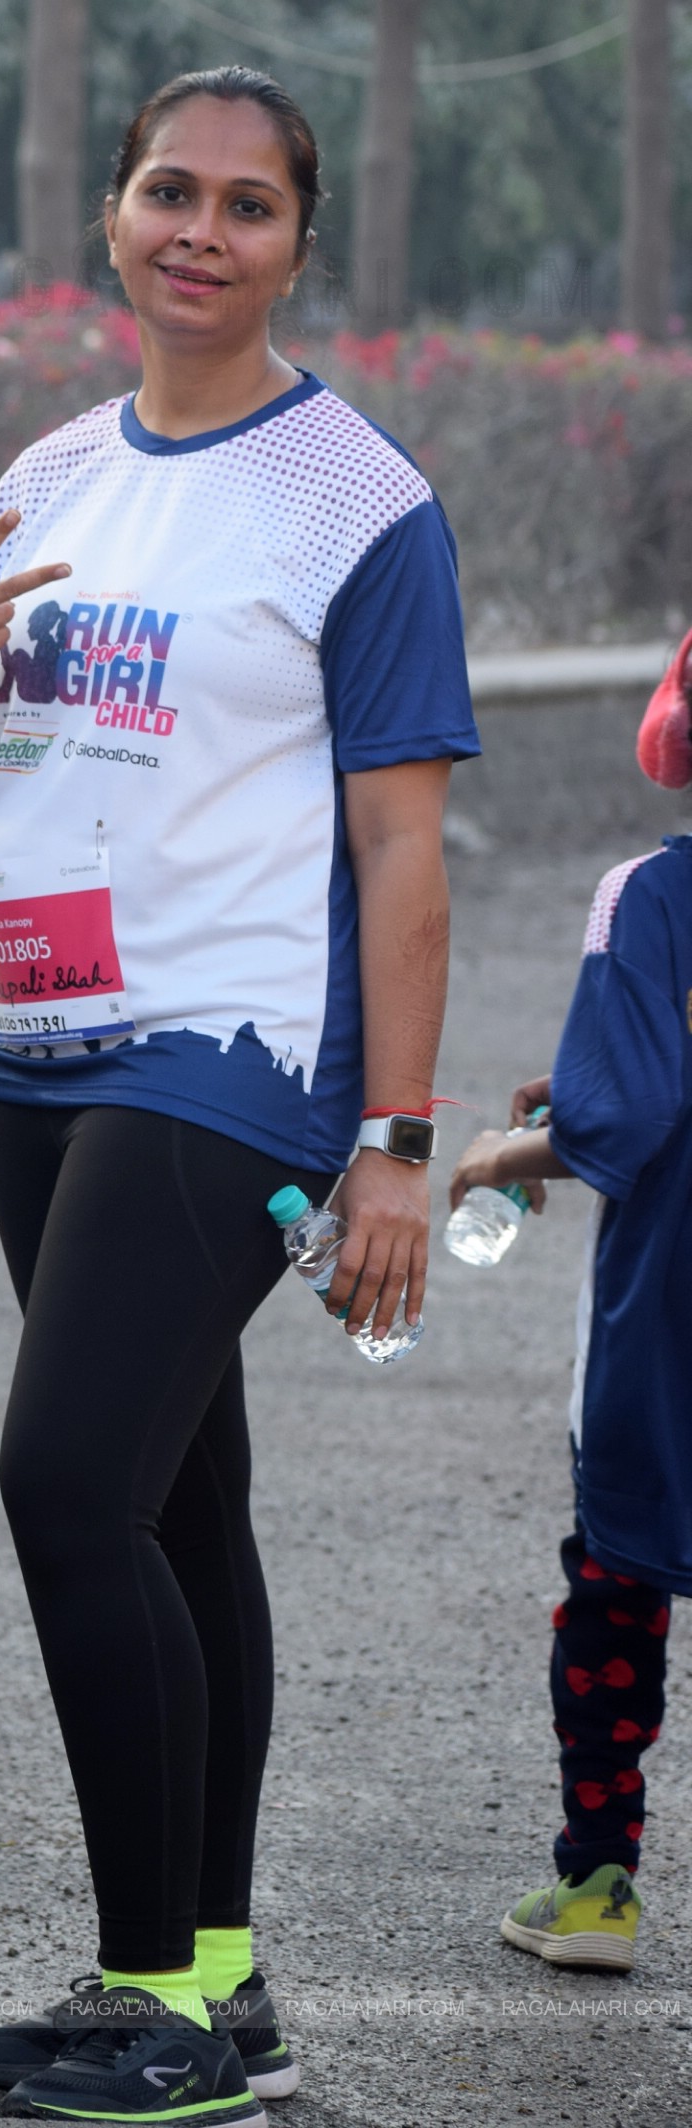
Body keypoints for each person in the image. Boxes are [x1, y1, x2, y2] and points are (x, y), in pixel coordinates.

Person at [0, 68, 478, 2125]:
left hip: (226, 1060)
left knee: (66, 1487)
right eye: (167, 191)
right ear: (113, 215)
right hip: (30, 1050)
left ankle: (153, 2001)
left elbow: (404, 849)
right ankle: (217, 1981)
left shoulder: (357, 502)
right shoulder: (48, 479)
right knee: (173, 1498)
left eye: (246, 203)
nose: (198, 231)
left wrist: (393, 1139)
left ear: (303, 241)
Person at [449, 626, 692, 1979]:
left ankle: (598, 1881)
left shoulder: (647, 900)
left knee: (618, 1581)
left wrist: (505, 1154)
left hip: (668, 1329)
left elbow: (636, 1106)